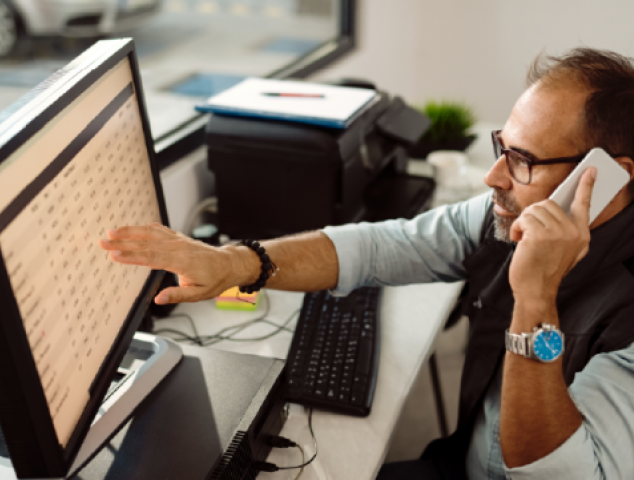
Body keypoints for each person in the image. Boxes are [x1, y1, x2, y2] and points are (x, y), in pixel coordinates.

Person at [100, 48, 634, 479]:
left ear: (610, 176)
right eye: (503, 146)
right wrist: (235, 263)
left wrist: (534, 300)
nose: (493, 177)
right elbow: (386, 246)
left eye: (522, 161)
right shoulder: (514, 213)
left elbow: (557, 475)